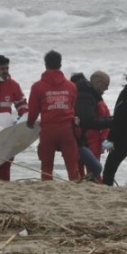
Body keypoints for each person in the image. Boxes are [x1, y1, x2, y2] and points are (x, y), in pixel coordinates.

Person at [26, 50, 79, 181]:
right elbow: (72, 106)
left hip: (48, 130)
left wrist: (30, 122)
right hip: (67, 129)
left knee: (47, 165)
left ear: (45, 64)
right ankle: (75, 184)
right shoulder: (71, 86)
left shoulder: (37, 87)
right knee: (72, 163)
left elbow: (33, 110)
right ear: (60, 64)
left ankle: (47, 185)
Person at [71, 71, 113, 182]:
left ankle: (90, 184)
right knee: (82, 168)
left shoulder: (94, 100)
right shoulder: (88, 97)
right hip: (83, 139)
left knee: (90, 170)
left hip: (92, 140)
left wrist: (106, 142)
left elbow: (105, 121)